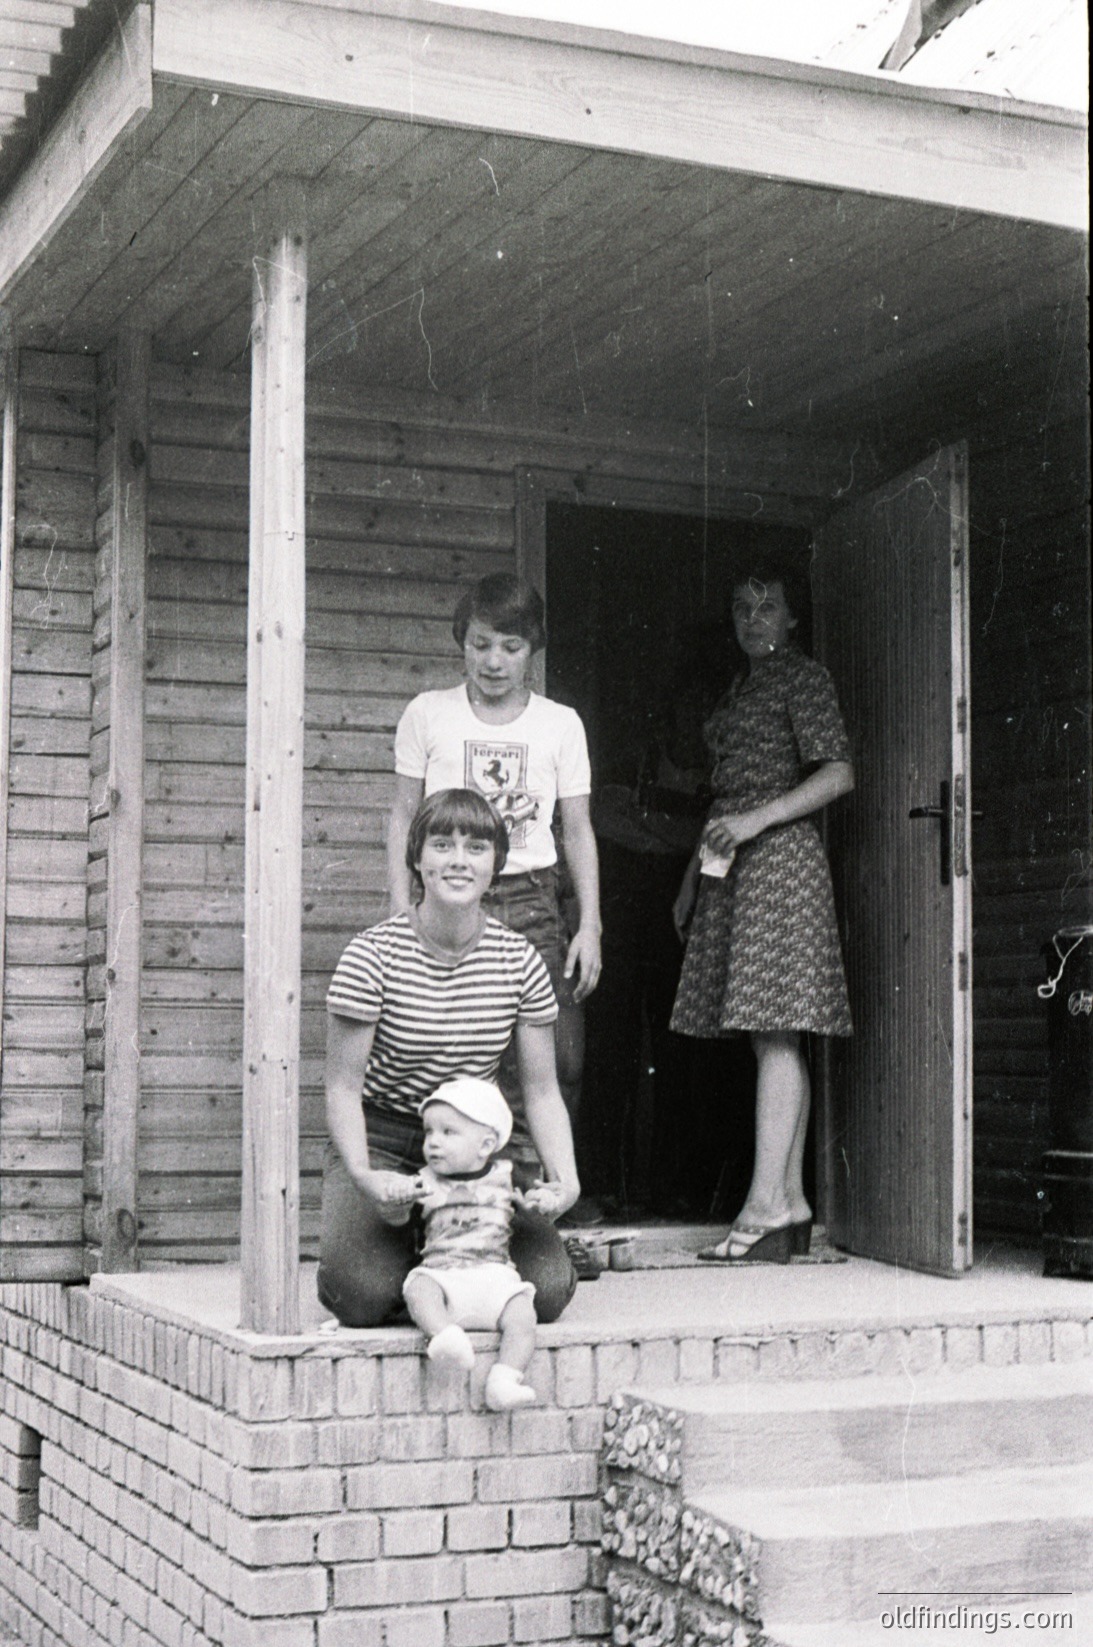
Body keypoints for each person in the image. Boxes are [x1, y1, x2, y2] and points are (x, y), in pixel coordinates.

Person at [319, 787, 580, 1327]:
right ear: (417, 858)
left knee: (549, 1289)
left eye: (476, 848)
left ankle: (442, 1263)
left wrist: (567, 1181)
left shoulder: (520, 959)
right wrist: (366, 1176)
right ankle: (430, 1259)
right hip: (385, 1141)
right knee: (360, 1295)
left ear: (495, 865)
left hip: (472, 1149)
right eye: (442, 844)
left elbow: (542, 1091)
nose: (459, 860)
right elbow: (342, 1089)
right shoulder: (372, 956)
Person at [670, 560, 854, 1263]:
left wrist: (753, 822)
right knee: (769, 1035)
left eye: (767, 607)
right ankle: (791, 1202)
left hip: (778, 861)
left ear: (791, 618)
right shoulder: (740, 685)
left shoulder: (802, 677)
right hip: (734, 862)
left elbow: (837, 772)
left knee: (775, 1031)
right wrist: (692, 875)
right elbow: (723, 802)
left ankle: (764, 1204)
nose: (753, 619)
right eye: (741, 607)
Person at [385, 575, 601, 1146]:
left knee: (556, 1059)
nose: (494, 661)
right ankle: (459, 1199)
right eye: (480, 644)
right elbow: (403, 813)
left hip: (534, 899)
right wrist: (399, 903)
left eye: (511, 647)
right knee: (453, 1051)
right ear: (462, 642)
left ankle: (538, 1204)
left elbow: (577, 830)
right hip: (450, 901)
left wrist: (591, 926)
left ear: (533, 648)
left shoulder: (561, 723)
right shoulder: (428, 713)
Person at [399, 1078, 541, 1411]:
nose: (433, 1143)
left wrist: (539, 1205)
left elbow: (532, 1211)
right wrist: (398, 1200)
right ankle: (444, 1336)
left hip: (495, 1278)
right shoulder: (423, 1180)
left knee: (523, 1316)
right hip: (444, 1278)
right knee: (418, 1288)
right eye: (429, 1132)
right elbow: (401, 1218)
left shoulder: (508, 1177)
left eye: (448, 1133)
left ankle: (504, 1380)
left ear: (485, 1144)